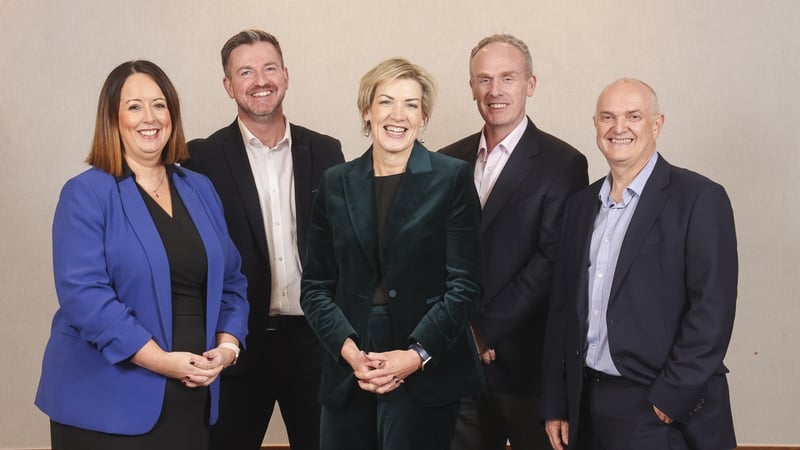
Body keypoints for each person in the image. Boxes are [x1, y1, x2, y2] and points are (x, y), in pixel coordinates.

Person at [34, 60, 249, 450]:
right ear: (113, 119)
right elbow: (85, 298)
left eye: (159, 104)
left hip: (191, 396)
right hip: (103, 404)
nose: (149, 118)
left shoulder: (199, 188)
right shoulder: (86, 193)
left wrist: (228, 349)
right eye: (134, 106)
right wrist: (160, 360)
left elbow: (232, 281)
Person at [541, 78, 738, 450]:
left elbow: (712, 309)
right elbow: (562, 310)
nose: (619, 128)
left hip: (658, 406)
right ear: (596, 124)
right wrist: (556, 401)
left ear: (656, 124)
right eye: (607, 117)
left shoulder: (698, 198)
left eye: (633, 116)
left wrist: (671, 397)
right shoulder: (581, 206)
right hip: (586, 403)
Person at [300, 58, 485, 450]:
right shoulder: (335, 183)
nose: (397, 115)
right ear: (367, 110)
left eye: (411, 104)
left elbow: (465, 287)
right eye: (386, 102)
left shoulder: (451, 177)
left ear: (423, 117)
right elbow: (315, 286)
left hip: (424, 360)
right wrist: (349, 352)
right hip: (350, 360)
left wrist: (415, 355)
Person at [183, 29, 344, 450]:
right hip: (237, 344)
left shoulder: (327, 152)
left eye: (269, 68)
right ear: (228, 85)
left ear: (286, 76)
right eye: (246, 72)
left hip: (314, 342)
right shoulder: (200, 158)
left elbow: (345, 249)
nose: (260, 81)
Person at [439, 34, 588, 450]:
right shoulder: (447, 160)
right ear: (471, 87)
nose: (495, 90)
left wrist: (482, 332)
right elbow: (434, 255)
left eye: (508, 77)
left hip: (526, 368)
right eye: (484, 79)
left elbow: (550, 261)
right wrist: (458, 333)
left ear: (531, 84)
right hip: (456, 364)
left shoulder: (564, 164)